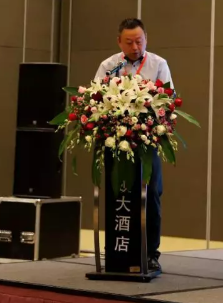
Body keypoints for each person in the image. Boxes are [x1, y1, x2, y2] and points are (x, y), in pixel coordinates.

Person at [94, 18, 173, 272]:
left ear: (146, 39)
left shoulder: (158, 65)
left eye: (139, 41)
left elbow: (167, 102)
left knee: (151, 196)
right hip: (116, 143)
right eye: (129, 42)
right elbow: (96, 99)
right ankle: (117, 252)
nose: (135, 47)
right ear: (119, 42)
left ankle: (151, 253)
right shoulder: (109, 66)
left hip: (146, 143)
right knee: (118, 195)